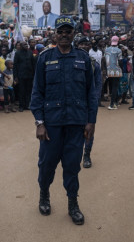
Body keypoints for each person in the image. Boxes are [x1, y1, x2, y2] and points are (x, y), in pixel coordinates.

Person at [30, 16, 98, 225]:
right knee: (47, 165)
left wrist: (91, 121)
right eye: (61, 31)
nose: (64, 35)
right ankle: (44, 195)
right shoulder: (45, 58)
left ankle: (73, 204)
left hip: (76, 123)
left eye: (68, 31)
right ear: (55, 34)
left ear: (74, 33)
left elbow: (91, 93)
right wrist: (39, 123)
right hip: (51, 125)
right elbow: (37, 92)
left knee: (72, 166)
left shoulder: (84, 59)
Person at [77, 37, 101, 169]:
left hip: (89, 103)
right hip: (74, 103)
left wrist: (94, 101)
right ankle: (74, 155)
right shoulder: (70, 61)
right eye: (82, 44)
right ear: (77, 45)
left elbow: (98, 84)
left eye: (87, 44)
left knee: (89, 130)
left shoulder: (93, 64)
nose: (84, 46)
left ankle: (86, 155)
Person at [13, 41, 35, 112]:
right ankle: (21, 106)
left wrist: (34, 75)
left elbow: (33, 64)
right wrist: (15, 76)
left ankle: (27, 105)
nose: (26, 45)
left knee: (28, 91)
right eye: (24, 45)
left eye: (26, 44)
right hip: (21, 76)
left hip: (30, 75)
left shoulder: (30, 53)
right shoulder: (17, 53)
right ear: (21, 46)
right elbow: (15, 66)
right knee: (21, 91)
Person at [105, 36, 122, 110]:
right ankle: (112, 104)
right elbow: (120, 61)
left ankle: (114, 102)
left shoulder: (106, 49)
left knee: (111, 87)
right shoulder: (119, 50)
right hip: (117, 70)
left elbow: (104, 59)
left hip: (109, 70)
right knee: (115, 87)